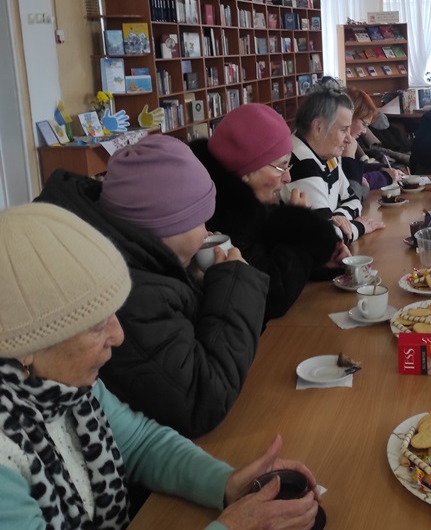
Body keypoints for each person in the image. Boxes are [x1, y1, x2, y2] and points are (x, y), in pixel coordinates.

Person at [0, 202, 321, 530]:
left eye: (114, 314)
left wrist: (225, 482)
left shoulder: (65, 387)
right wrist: (233, 526)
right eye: (96, 326)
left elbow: (141, 444)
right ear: (25, 348)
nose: (118, 335)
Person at [36, 135, 267, 438]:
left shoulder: (136, 257)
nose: (206, 233)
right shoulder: (127, 295)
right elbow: (203, 398)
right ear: (164, 227)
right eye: (199, 221)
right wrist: (234, 285)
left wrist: (196, 283)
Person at [190, 103, 348, 321]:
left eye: (288, 165)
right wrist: (299, 228)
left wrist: (324, 259)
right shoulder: (224, 218)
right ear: (246, 171)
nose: (288, 178)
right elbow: (273, 296)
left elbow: (274, 257)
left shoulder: (254, 205)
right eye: (281, 167)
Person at [283, 86, 385, 242]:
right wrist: (360, 227)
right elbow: (327, 240)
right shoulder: (301, 162)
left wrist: (338, 217)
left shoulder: (328, 156)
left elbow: (353, 200)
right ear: (318, 128)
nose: (349, 139)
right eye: (343, 130)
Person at [342, 88, 405, 200]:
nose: (364, 131)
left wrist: (381, 168)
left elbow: (357, 170)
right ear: (349, 117)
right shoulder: (333, 148)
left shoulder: (348, 145)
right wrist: (385, 177)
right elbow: (351, 185)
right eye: (363, 124)